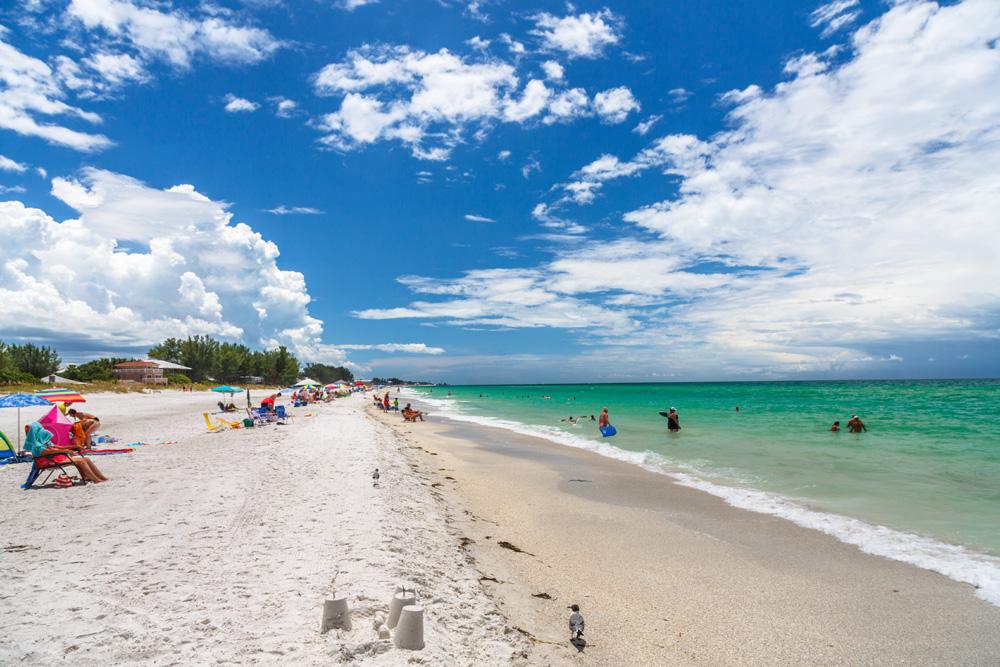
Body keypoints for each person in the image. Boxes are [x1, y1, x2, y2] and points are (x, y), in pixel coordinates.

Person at [24, 422, 108, 484]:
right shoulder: (36, 445)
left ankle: (100, 477)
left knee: (86, 459)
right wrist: (66, 451)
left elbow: (58, 447)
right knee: (81, 461)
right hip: (48, 461)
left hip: (54, 458)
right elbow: (48, 452)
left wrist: (74, 446)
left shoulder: (43, 441)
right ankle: (95, 480)